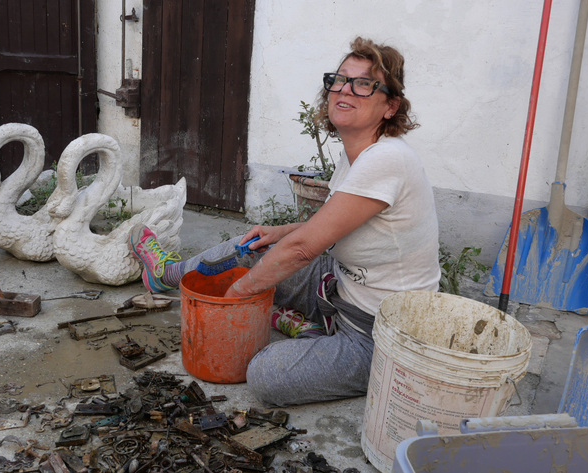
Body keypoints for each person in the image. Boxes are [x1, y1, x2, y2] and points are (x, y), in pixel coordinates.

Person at [130, 37, 440, 407]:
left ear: (390, 106)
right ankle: (167, 274)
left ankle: (312, 333)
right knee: (251, 248)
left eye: (363, 84)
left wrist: (239, 293)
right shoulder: (358, 153)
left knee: (266, 375)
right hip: (337, 286)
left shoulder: (387, 159)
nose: (345, 90)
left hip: (378, 332)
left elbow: (304, 248)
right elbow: (331, 224)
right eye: (339, 80)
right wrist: (278, 233)